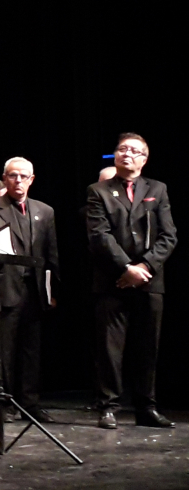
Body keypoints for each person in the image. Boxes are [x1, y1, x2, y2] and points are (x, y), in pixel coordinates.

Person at [87, 133, 177, 429]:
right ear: (115, 156)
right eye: (122, 149)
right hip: (112, 280)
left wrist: (143, 267)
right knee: (110, 348)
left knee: (147, 346)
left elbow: (169, 235)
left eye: (134, 151)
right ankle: (108, 407)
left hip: (150, 280)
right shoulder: (98, 190)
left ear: (144, 159)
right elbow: (100, 236)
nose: (127, 154)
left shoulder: (157, 189)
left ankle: (146, 408)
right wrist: (126, 268)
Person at [0, 158, 59, 423]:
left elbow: (51, 255)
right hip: (5, 289)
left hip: (34, 291)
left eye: (23, 176)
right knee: (4, 352)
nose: (18, 180)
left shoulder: (44, 211)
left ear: (32, 179)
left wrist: (51, 291)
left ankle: (30, 403)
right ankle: (5, 403)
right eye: (13, 175)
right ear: (5, 178)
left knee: (31, 350)